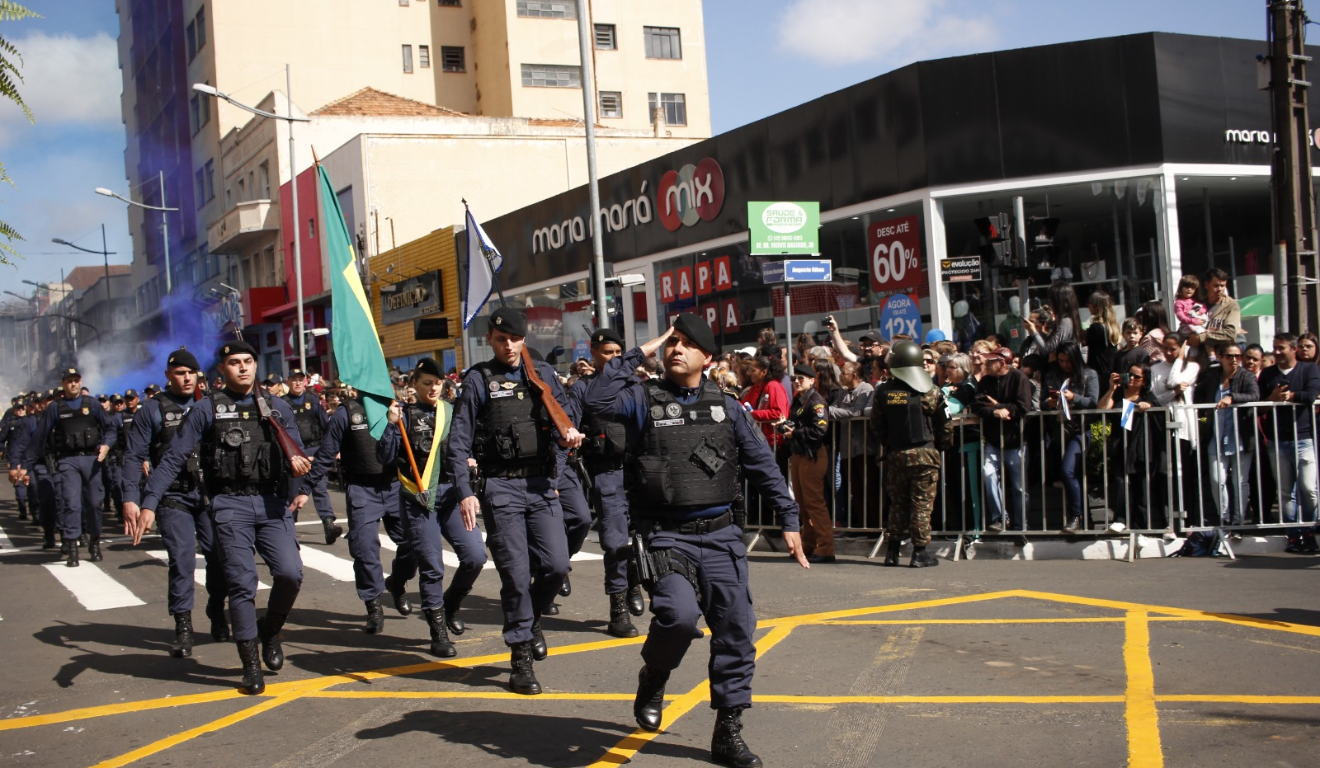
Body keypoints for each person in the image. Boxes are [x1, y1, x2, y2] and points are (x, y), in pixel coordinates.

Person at [585, 314, 807, 768]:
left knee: (736, 631)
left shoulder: (728, 406)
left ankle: (728, 730)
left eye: (687, 344)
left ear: (708, 358)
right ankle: (655, 674)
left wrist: (789, 518)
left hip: (723, 534)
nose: (677, 349)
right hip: (666, 535)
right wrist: (646, 348)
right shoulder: (642, 398)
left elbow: (763, 466)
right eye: (673, 342)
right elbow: (595, 399)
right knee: (679, 617)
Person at [137, 340, 311, 695]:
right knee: (242, 585)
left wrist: (301, 476)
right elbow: (172, 458)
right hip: (229, 504)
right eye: (235, 362)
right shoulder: (206, 410)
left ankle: (271, 632)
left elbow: (297, 453)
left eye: (249, 361)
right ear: (222, 370)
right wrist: (149, 501)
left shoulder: (276, 408)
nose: (243, 367)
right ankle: (250, 664)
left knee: (290, 574)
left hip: (272, 504)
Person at [448, 306, 582, 696]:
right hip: (500, 488)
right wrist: (465, 492)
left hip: (541, 485)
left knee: (556, 566)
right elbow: (457, 442)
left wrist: (565, 446)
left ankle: (531, 619)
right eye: (501, 339)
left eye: (516, 339)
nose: (509, 346)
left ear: (525, 339)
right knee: (516, 576)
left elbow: (565, 422)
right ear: (490, 339)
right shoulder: (478, 380)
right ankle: (520, 655)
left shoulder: (541, 376)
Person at [121, 348, 229, 658]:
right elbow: (134, 456)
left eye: (190, 373)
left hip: (211, 494)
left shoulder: (211, 405)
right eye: (179, 373)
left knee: (219, 557)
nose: (185, 377)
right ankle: (183, 626)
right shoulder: (152, 410)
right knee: (181, 560)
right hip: (173, 496)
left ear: (198, 375)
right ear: (168, 376)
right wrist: (131, 498)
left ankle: (217, 610)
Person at [376, 358, 487, 653]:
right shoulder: (403, 415)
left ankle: (450, 605)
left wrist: (471, 459)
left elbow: (467, 444)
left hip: (451, 497)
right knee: (432, 566)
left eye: (438, 383)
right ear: (414, 384)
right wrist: (390, 425)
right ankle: (438, 631)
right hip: (419, 499)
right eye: (427, 383)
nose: (434, 388)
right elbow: (385, 458)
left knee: (475, 556)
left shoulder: (451, 412)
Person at [569, 327, 645, 640]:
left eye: (617, 353)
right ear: (594, 353)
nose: (612, 359)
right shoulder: (583, 388)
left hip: (638, 472)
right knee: (615, 542)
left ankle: (634, 582)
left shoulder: (636, 385)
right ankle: (618, 610)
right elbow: (568, 429)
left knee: (640, 537)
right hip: (605, 471)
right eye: (606, 353)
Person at [9, 367, 118, 566]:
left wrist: (106, 444)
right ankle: (73, 548)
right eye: (69, 381)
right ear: (63, 384)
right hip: (67, 461)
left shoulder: (92, 404)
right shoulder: (55, 408)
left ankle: (94, 541)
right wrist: (24, 465)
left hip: (92, 460)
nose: (73, 384)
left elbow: (110, 428)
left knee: (94, 503)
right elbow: (40, 437)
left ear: (80, 381)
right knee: (71, 503)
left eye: (76, 380)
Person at [872, 340, 953, 567]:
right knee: (921, 504)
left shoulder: (883, 392)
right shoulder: (932, 391)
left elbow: (877, 425)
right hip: (925, 455)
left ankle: (892, 552)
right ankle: (919, 553)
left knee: (897, 504)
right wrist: (943, 446)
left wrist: (889, 443)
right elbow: (946, 425)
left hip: (897, 454)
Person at [1256, 333, 1320, 553]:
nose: (1276, 352)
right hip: (1278, 441)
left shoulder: (1309, 369)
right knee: (1285, 492)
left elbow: (1311, 395)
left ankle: (1309, 530)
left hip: (1304, 438)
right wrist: (1272, 398)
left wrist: (1290, 396)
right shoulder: (1267, 374)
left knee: (1309, 489)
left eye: (1281, 347)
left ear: (1293, 349)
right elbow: (1260, 407)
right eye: (1274, 347)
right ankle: (1293, 535)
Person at [1194, 343, 1259, 532]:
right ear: (1221, 357)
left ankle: (1238, 520)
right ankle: (1224, 518)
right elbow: (1199, 395)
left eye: (1238, 356)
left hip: (1239, 436)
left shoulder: (1246, 376)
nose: (1234, 360)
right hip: (1217, 434)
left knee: (1240, 480)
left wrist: (1232, 397)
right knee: (1217, 479)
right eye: (1229, 356)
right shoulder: (1213, 376)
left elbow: (1254, 395)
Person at [1098, 362, 1166, 531]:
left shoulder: (1147, 396)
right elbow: (1102, 409)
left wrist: (1148, 406)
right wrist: (1112, 388)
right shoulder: (1119, 393)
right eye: (1130, 375)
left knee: (1141, 488)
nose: (1133, 379)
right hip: (1121, 445)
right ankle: (1120, 519)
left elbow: (1160, 413)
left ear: (1144, 380)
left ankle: (1140, 527)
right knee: (1121, 483)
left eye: (1137, 377)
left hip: (1141, 448)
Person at [972, 348, 1032, 534]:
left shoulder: (1018, 377)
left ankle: (1021, 525)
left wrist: (999, 406)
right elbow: (977, 406)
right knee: (988, 475)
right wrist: (994, 412)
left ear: (1003, 363)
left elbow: (1023, 406)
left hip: (1016, 441)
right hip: (992, 440)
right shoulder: (985, 381)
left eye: (991, 362)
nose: (987, 365)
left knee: (1019, 487)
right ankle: (1000, 518)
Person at [1043, 342, 1100, 533]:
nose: (1064, 365)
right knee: (1072, 475)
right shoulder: (1053, 375)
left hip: (1080, 429)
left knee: (1068, 470)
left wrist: (1074, 397)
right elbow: (1043, 401)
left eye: (1068, 361)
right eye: (1061, 361)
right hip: (1059, 430)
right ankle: (1085, 519)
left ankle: (1076, 516)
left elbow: (1093, 402)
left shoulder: (1088, 374)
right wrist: (1049, 402)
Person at [283, 368, 344, 545]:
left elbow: (326, 427)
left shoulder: (313, 401)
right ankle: (289, 532)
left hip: (314, 450)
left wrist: (333, 449)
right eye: (294, 379)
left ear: (305, 382)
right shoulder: (282, 403)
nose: (297, 383)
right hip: (294, 453)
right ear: (288, 382)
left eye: (300, 379)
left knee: (320, 487)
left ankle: (328, 524)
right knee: (293, 493)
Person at [783, 364, 833, 563]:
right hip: (799, 455)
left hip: (813, 455)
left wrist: (795, 432)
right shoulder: (799, 400)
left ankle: (826, 547)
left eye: (801, 378)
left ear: (813, 380)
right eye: (794, 378)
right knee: (802, 504)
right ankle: (809, 545)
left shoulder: (816, 402)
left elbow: (819, 431)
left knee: (814, 503)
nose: (796, 381)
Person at [828, 360, 876, 531]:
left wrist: (831, 411)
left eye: (844, 373)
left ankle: (873, 525)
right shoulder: (842, 393)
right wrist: (833, 411)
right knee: (855, 488)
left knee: (869, 487)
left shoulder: (866, 389)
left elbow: (856, 411)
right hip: (847, 447)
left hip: (864, 446)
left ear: (854, 375)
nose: (841, 376)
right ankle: (861, 526)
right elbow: (833, 410)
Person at [1187, 267, 1241, 361]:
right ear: (1207, 285)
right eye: (1216, 286)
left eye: (1223, 285)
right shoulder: (1198, 305)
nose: (1220, 289)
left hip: (1224, 361)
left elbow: (1230, 333)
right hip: (1201, 361)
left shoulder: (1231, 305)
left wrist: (1202, 337)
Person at [1022, 280, 1082, 358]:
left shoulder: (1066, 321)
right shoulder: (1067, 320)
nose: (1049, 303)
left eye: (1052, 300)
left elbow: (1047, 349)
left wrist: (1033, 331)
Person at [1084, 291, 1122, 388]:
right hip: (1111, 371)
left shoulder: (1096, 328)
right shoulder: (1113, 326)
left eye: (1089, 304)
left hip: (1098, 373)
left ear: (1096, 306)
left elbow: (1084, 342)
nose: (1088, 306)